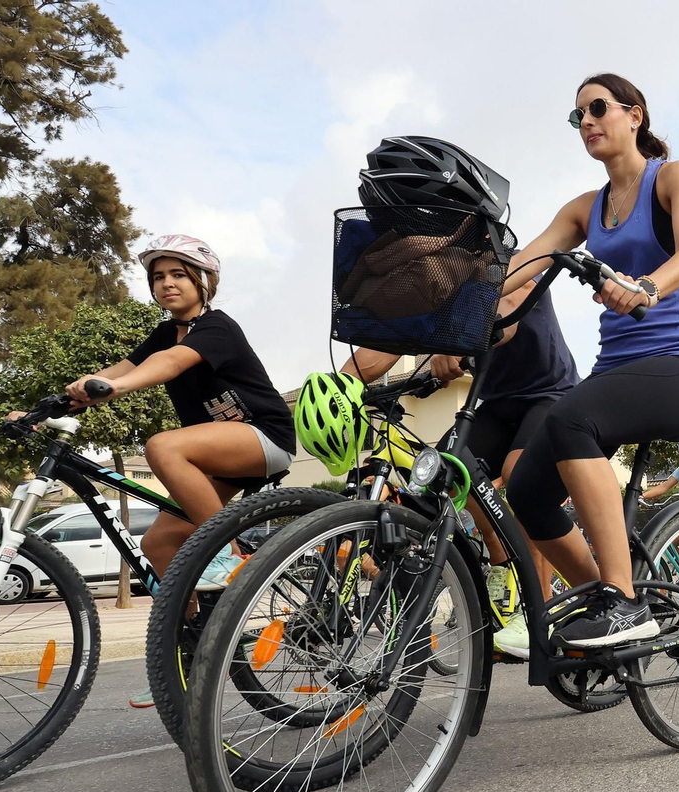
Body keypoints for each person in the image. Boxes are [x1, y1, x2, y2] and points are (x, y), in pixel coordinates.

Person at [498, 73, 679, 647]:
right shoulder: (583, 209)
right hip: (616, 373)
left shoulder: (672, 178)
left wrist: (646, 287)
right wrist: (464, 309)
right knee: (524, 489)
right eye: (578, 117)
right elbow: (521, 269)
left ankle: (624, 601)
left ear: (634, 115)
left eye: (597, 108)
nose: (587, 122)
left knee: (571, 417)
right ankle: (607, 601)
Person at [53, 235, 295, 708]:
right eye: (158, 277)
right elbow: (126, 363)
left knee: (162, 445)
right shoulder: (166, 332)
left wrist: (114, 388)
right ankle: (187, 653)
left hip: (262, 437)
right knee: (159, 543)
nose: (167, 284)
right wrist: (53, 403)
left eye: (178, 275)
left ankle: (227, 554)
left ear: (204, 282)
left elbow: (169, 365)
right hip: (216, 456)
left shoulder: (217, 327)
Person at [324, 263, 580, 659]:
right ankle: (501, 573)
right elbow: (391, 340)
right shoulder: (434, 285)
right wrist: (340, 385)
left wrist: (453, 340)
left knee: (520, 476)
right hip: (496, 404)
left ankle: (538, 613)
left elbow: (510, 308)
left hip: (549, 394)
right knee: (446, 474)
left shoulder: (500, 259)